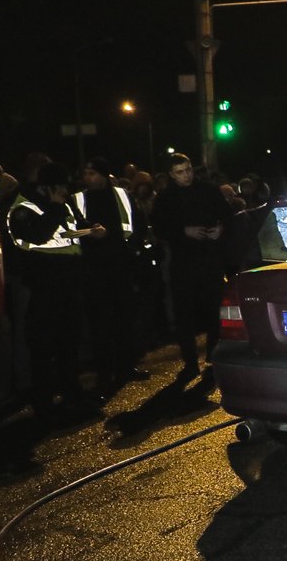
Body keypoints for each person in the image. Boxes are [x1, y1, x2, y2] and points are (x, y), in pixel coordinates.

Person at [6, 161, 99, 421]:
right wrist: (56, 208)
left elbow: (74, 229)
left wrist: (92, 229)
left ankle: (73, 397)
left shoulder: (62, 204)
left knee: (69, 345)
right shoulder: (23, 209)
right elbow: (39, 236)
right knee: (44, 349)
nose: (64, 193)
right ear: (45, 187)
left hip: (69, 288)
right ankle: (44, 405)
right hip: (43, 291)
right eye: (59, 189)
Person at [150, 153, 234, 381]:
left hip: (209, 259)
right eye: (180, 172)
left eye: (187, 169)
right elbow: (158, 226)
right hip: (183, 262)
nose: (186, 175)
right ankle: (189, 361)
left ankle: (214, 354)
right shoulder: (166, 198)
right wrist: (183, 231)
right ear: (171, 174)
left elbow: (228, 214)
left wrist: (220, 228)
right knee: (184, 312)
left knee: (214, 308)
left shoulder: (207, 190)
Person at [73, 156, 149, 395]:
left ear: (104, 175)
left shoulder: (122, 196)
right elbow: (73, 228)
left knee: (124, 320)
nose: (88, 177)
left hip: (121, 268)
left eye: (92, 173)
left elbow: (138, 224)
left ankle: (127, 366)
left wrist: (132, 250)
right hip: (93, 271)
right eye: (86, 173)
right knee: (100, 325)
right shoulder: (79, 198)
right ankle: (104, 374)